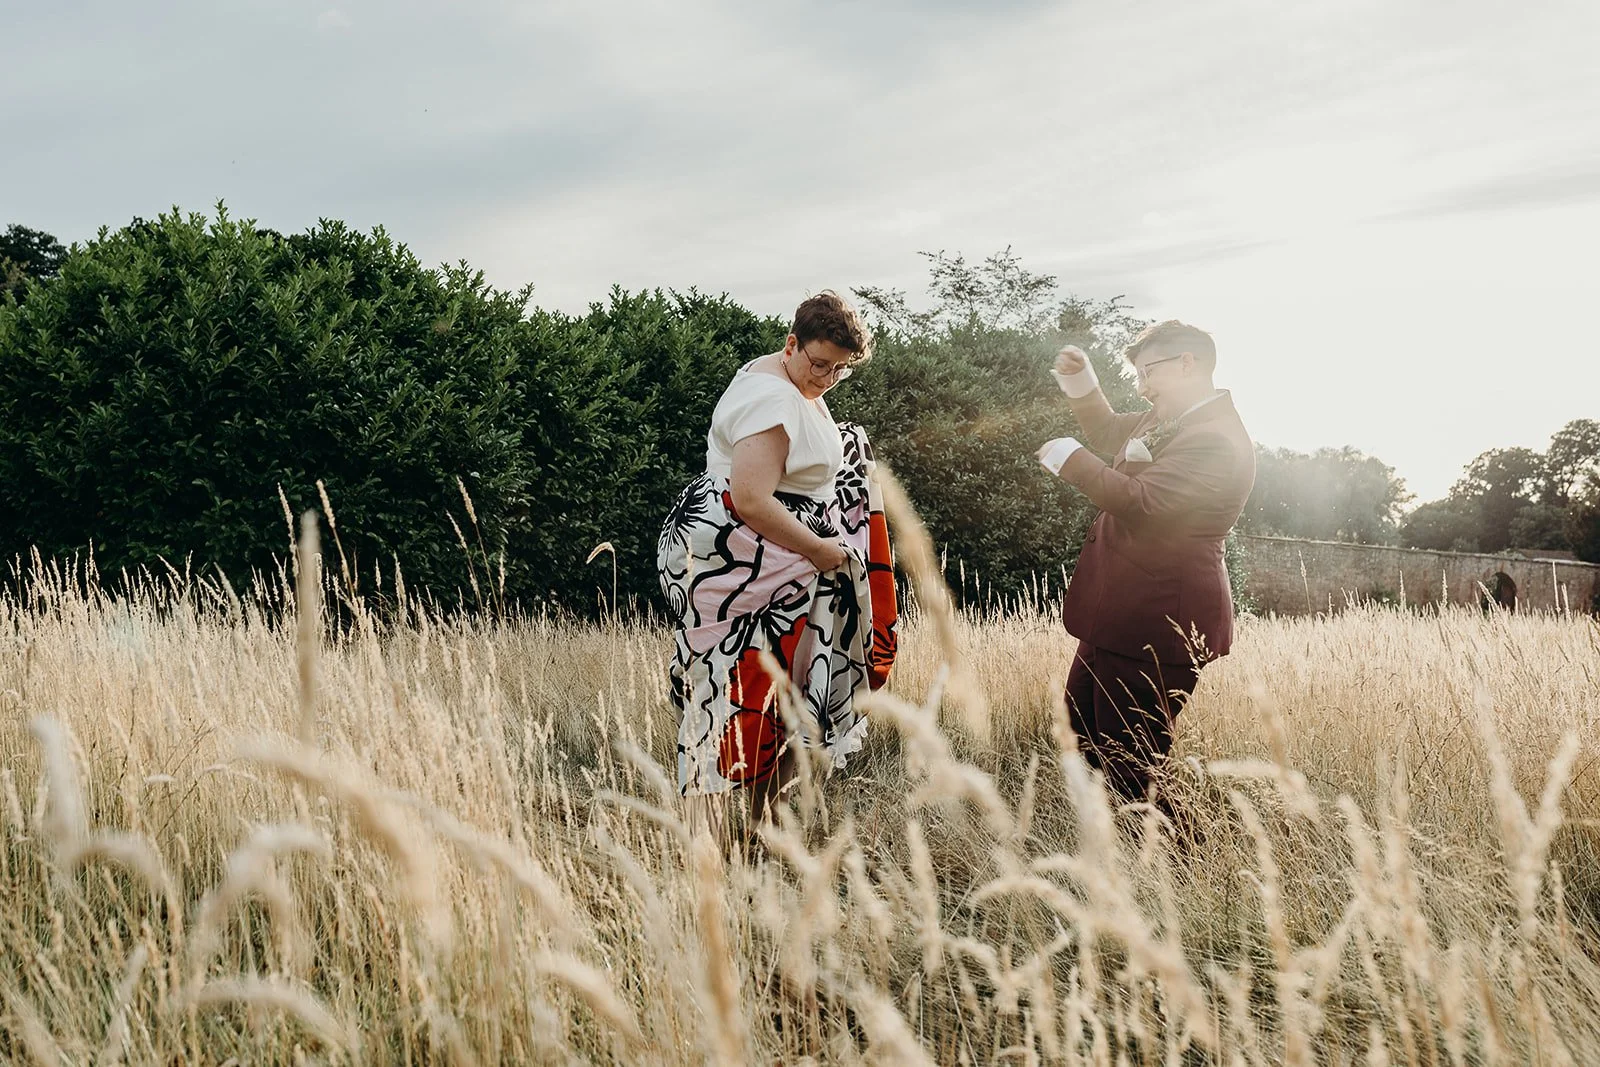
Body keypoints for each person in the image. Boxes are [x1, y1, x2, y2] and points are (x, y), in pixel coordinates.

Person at [658, 291, 898, 822]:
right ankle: (718, 845)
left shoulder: (790, 377)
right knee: (740, 699)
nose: (827, 379)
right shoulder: (773, 399)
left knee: (788, 697)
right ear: (791, 343)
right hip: (749, 565)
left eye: (841, 371)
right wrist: (820, 551)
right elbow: (750, 499)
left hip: (779, 567)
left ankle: (760, 824)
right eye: (820, 364)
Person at [1035, 320, 1255, 810]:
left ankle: (1174, 869)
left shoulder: (1216, 439)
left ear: (1187, 364)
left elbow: (1143, 502)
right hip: (1120, 613)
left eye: (1147, 372)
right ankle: (1106, 857)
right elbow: (1112, 430)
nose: (1142, 385)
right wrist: (1083, 384)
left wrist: (1067, 458)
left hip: (1159, 620)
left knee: (1133, 768)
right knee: (1081, 734)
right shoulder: (1169, 416)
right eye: (1137, 375)